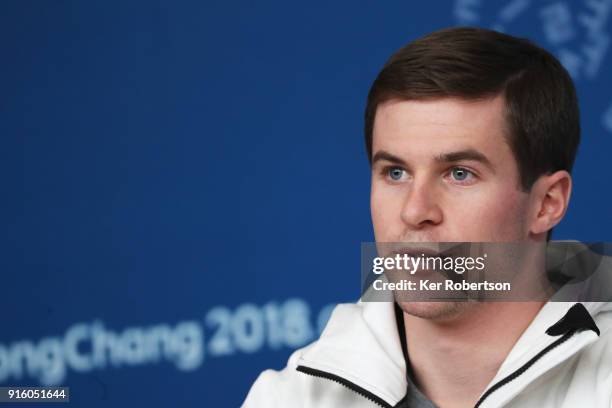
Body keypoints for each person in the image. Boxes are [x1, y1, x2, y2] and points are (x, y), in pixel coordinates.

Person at [242, 27, 612, 408]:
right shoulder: (292, 397)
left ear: (547, 203)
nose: (415, 211)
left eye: (459, 173)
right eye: (395, 173)